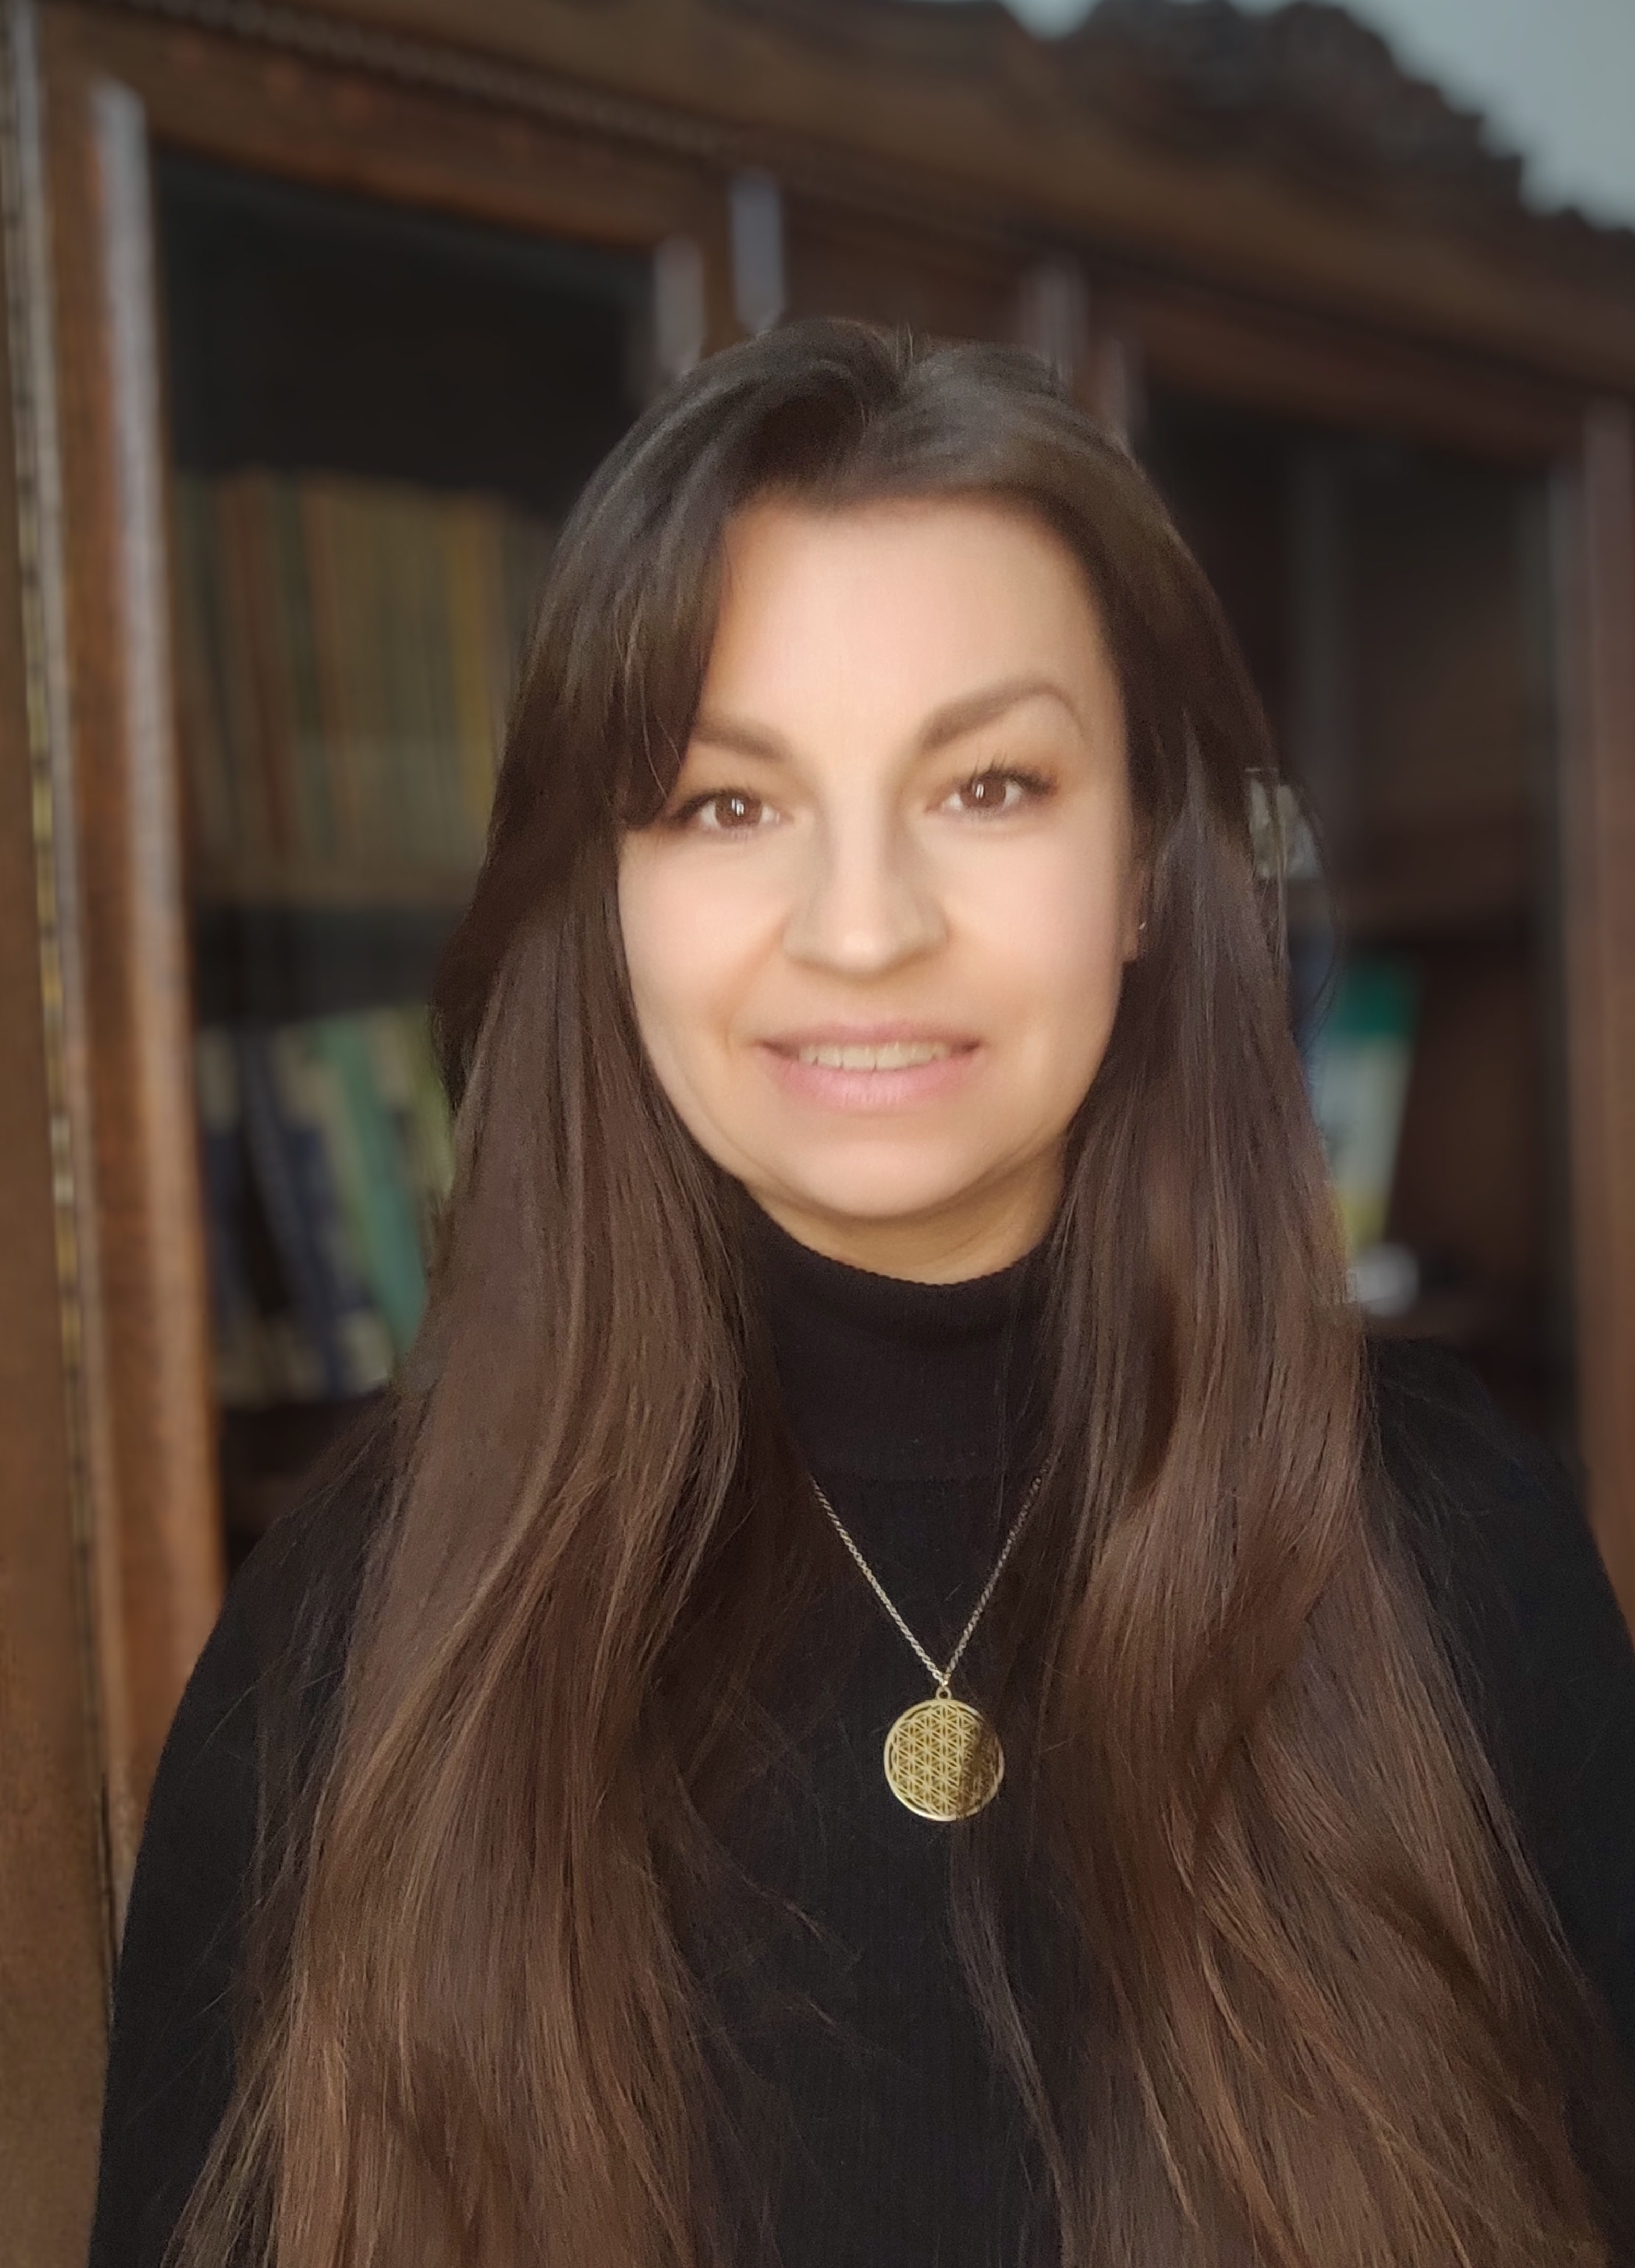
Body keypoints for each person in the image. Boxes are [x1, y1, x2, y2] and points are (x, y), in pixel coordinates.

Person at [88, 320, 1635, 2268]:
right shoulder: (360, 1628)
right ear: (607, 894)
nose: (864, 931)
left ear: (1146, 863)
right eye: (728, 805)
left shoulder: (1452, 1541)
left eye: (987, 786)